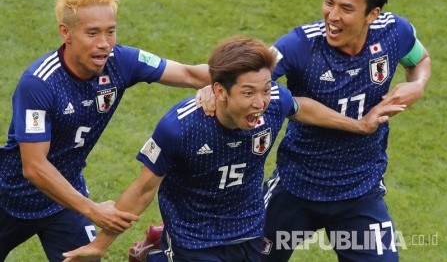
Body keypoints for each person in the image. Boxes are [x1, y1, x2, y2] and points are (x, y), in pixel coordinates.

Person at [61, 36, 404, 262]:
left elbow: (299, 105)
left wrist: (358, 125)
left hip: (249, 231)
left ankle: (153, 250)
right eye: (248, 93)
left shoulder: (272, 104)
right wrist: (99, 245)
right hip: (195, 239)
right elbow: (142, 189)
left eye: (266, 89)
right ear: (219, 92)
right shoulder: (179, 127)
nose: (260, 103)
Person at [0, 0, 211, 261]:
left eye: (110, 31)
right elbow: (35, 167)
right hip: (10, 198)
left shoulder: (121, 61)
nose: (104, 43)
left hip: (64, 201)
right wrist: (93, 210)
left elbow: (188, 73)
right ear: (66, 33)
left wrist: (226, 81)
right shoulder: (39, 84)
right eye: (92, 33)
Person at [260, 0, 431, 261]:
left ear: (372, 14)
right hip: (296, 187)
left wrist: (419, 85)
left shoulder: (394, 32)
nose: (333, 16)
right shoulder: (299, 45)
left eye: (347, 9)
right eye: (329, 2)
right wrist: (213, 87)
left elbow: (420, 59)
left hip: (360, 190)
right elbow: (249, 78)